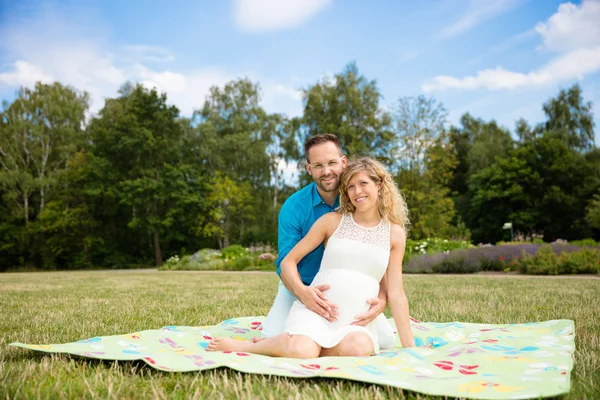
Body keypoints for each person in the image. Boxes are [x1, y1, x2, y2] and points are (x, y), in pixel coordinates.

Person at [207, 157, 416, 357]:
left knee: (358, 349)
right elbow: (288, 260)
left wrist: (410, 348)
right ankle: (248, 347)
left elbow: (396, 293)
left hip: (356, 322)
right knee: (301, 351)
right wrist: (303, 291)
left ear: (379, 184)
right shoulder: (332, 221)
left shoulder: (395, 233)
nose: (357, 192)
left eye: (363, 183)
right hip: (317, 313)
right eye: (350, 187)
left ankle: (290, 345)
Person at [258, 134, 395, 350]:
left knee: (384, 343)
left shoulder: (361, 198)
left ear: (343, 162)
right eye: (318, 165)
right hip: (301, 287)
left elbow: (379, 255)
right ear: (308, 169)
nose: (327, 171)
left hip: (349, 295)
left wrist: (383, 298)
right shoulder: (294, 207)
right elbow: (285, 263)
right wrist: (304, 294)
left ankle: (314, 346)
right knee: (272, 336)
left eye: (332, 163)